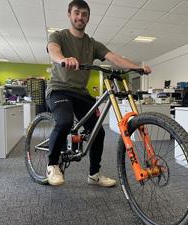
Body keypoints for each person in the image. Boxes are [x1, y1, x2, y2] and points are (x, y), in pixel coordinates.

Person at [46, 0, 151, 186]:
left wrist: (138, 67)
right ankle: (52, 165)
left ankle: (94, 175)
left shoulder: (92, 44)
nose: (80, 17)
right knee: (64, 121)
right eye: (76, 13)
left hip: (80, 93)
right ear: (69, 14)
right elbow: (53, 51)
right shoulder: (59, 36)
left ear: (88, 18)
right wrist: (63, 59)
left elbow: (115, 58)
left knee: (98, 132)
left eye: (84, 14)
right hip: (58, 89)